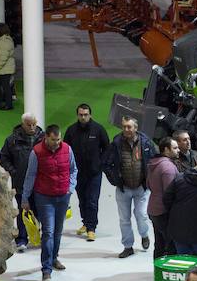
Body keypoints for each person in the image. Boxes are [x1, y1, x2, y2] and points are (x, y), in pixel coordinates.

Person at [21, 125, 77, 281]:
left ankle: (54, 259)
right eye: (53, 140)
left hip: (63, 197)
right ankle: (46, 269)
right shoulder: (36, 152)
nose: (57, 143)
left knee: (58, 231)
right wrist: (25, 198)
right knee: (48, 232)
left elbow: (73, 170)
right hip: (44, 198)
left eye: (59, 139)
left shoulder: (67, 149)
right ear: (46, 137)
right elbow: (30, 176)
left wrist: (70, 188)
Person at [102, 116, 155, 258]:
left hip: (141, 188)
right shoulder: (116, 143)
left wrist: (150, 180)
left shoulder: (146, 142)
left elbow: (154, 160)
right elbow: (105, 163)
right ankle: (128, 246)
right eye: (124, 126)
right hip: (123, 188)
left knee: (142, 215)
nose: (126, 129)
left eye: (129, 127)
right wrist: (114, 180)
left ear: (135, 128)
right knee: (124, 219)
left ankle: (144, 234)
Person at [64, 103, 110, 242]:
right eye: (81, 115)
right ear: (77, 115)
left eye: (85, 115)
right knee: (82, 200)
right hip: (77, 173)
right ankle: (85, 222)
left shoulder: (98, 129)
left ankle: (91, 228)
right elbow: (65, 150)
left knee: (92, 201)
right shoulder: (71, 130)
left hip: (94, 173)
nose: (83, 117)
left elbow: (107, 148)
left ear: (90, 115)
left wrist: (100, 164)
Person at [0, 114, 44, 252]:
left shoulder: (44, 139)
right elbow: (4, 158)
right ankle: (21, 240)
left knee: (40, 210)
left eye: (34, 124)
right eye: (28, 125)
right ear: (23, 124)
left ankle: (39, 237)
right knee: (23, 211)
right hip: (20, 183)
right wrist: (14, 171)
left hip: (40, 183)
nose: (32, 127)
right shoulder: (12, 140)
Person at [147, 137, 180, 259]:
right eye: (175, 148)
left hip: (153, 208)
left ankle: (157, 268)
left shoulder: (153, 163)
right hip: (164, 212)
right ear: (166, 149)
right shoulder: (168, 168)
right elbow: (169, 193)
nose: (178, 150)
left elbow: (148, 185)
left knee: (159, 244)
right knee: (171, 245)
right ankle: (168, 269)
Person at [0, 23, 15, 110]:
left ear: (0, 30)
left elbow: (3, 58)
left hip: (4, 69)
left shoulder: (4, 42)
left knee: (5, 87)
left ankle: (8, 105)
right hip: (1, 68)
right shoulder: (1, 41)